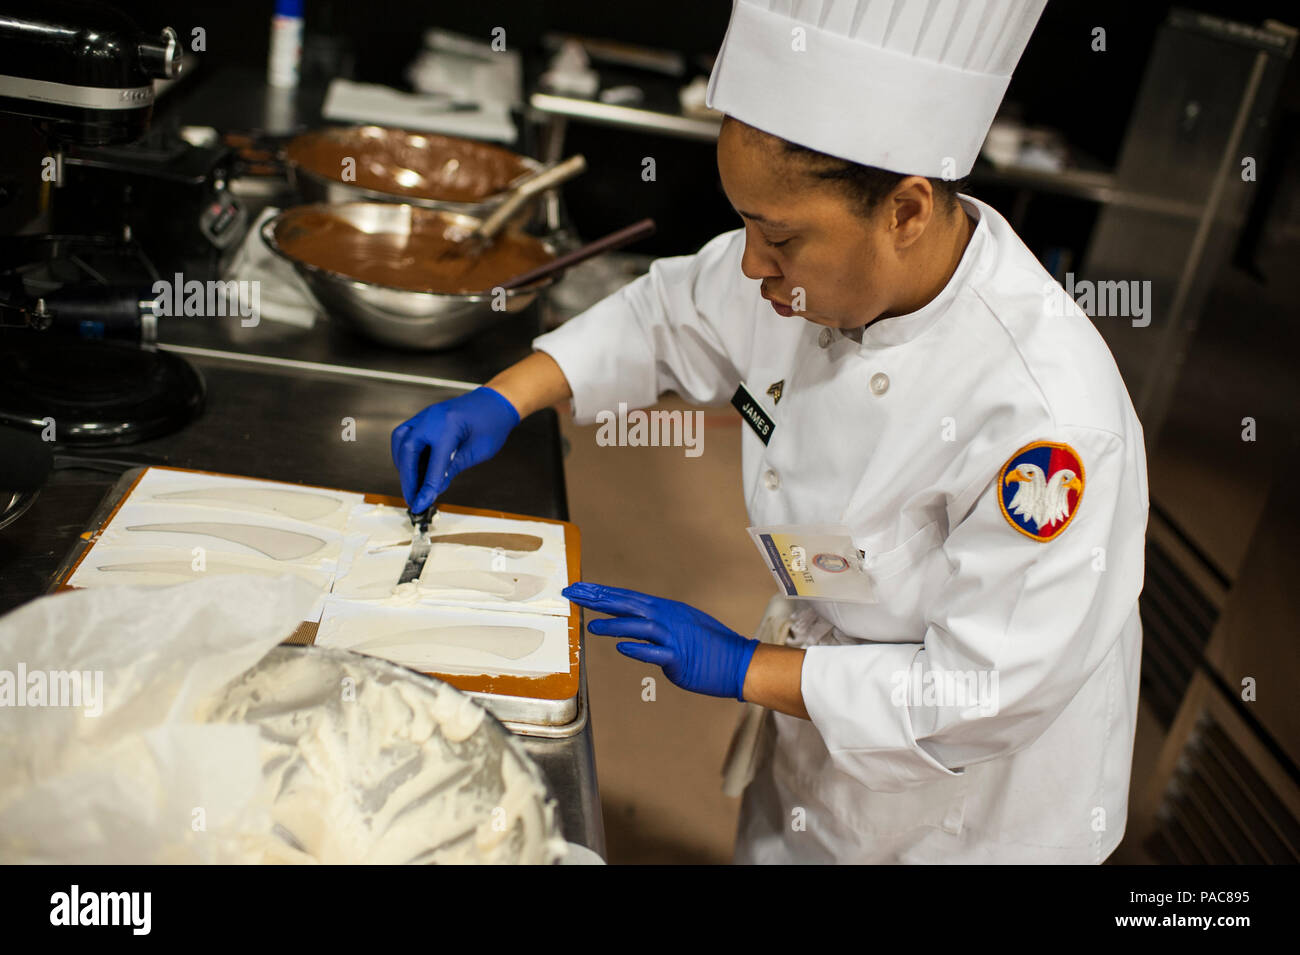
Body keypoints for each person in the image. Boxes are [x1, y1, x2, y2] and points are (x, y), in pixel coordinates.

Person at [392, 0, 1149, 864]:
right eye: (746, 221)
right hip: (820, 734)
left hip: (968, 816)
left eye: (778, 234)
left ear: (906, 209)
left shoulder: (1048, 420)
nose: (751, 262)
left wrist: (745, 667)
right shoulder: (798, 275)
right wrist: (503, 397)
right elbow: (664, 313)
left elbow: (979, 693)